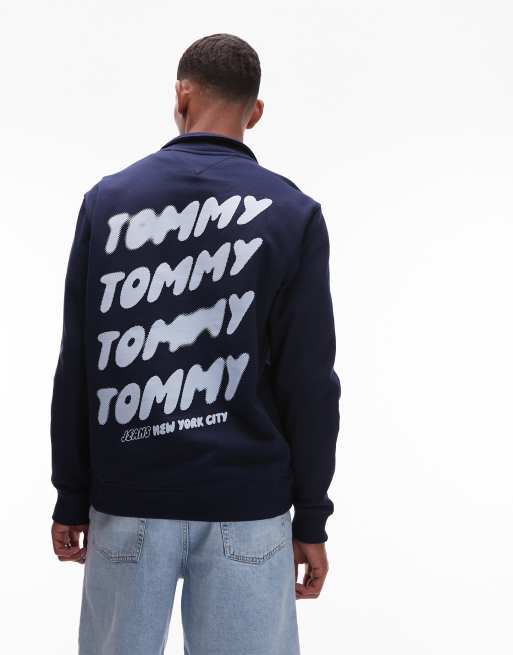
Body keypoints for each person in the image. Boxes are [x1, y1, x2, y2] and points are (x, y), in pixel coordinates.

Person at [50, 33, 341, 655]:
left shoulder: (108, 202)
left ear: (181, 95)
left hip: (128, 499)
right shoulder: (292, 213)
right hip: (247, 504)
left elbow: (78, 363)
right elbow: (310, 381)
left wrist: (71, 495)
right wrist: (312, 516)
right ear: (254, 112)